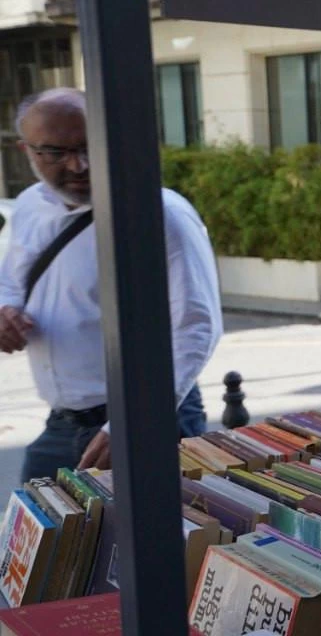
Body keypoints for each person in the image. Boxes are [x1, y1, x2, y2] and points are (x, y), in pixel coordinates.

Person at [0, 88, 221, 480]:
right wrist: (5, 311)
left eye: (89, 147)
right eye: (55, 152)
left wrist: (133, 423)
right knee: (35, 539)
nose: (79, 165)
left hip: (144, 419)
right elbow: (11, 284)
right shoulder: (31, 205)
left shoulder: (159, 214)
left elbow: (196, 326)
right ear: (27, 151)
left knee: (161, 539)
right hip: (62, 423)